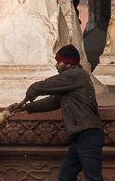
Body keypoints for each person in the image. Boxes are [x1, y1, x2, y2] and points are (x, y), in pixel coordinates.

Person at [8, 45, 103, 181]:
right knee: (65, 176)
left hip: (88, 134)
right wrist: (26, 107)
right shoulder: (70, 83)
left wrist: (32, 90)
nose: (56, 65)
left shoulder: (76, 75)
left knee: (93, 178)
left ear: (68, 63)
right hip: (79, 136)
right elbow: (53, 102)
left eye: (59, 62)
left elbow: (44, 86)